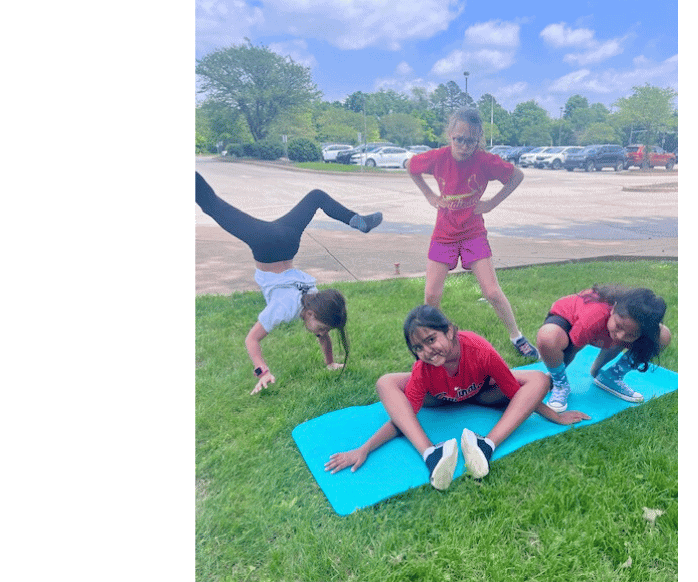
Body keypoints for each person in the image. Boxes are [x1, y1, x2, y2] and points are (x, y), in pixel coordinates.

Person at [324, 305, 589, 490]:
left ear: (450, 331)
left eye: (431, 339)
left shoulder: (479, 349)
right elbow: (402, 420)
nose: (427, 350)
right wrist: (364, 448)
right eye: (418, 347)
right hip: (438, 398)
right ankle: (431, 454)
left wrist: (554, 416)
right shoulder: (423, 368)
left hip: (482, 395)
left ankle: (486, 446)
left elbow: (511, 389)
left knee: (540, 379)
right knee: (385, 382)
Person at [195, 171, 383, 395]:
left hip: (287, 240)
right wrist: (263, 372)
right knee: (213, 206)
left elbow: (323, 336)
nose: (323, 333)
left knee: (316, 197)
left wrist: (330, 363)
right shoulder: (284, 308)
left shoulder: (315, 296)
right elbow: (251, 340)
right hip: (264, 242)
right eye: (323, 328)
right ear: (311, 315)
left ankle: (356, 220)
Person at [407, 107, 539, 360]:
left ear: (478, 139)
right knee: (431, 294)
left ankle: (517, 337)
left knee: (491, 291)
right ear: (450, 135)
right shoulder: (438, 157)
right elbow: (410, 167)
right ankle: (432, 341)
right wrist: (429, 195)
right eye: (459, 139)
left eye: (471, 141)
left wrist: (491, 203)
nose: (465, 146)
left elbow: (516, 176)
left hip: (473, 234)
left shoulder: (485, 160)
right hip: (444, 234)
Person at [535, 284, 672, 412]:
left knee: (663, 336)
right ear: (613, 309)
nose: (621, 336)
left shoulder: (626, 328)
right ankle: (561, 385)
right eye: (618, 326)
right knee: (548, 337)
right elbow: (573, 349)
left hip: (603, 331)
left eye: (631, 334)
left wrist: (597, 370)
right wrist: (555, 377)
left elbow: (629, 335)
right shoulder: (592, 318)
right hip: (569, 319)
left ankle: (610, 376)